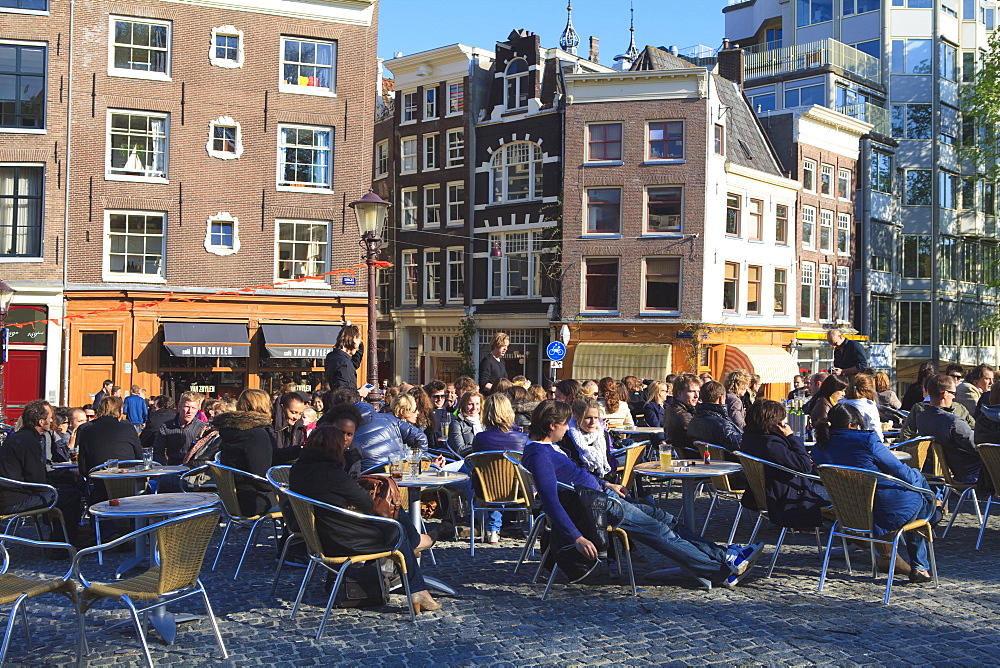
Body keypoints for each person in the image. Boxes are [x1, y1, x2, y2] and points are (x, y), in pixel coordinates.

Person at [522, 400, 764, 589]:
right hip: (597, 508)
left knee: (665, 520)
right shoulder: (540, 455)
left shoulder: (545, 448)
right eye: (565, 424)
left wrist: (606, 484)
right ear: (552, 425)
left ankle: (724, 556)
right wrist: (577, 538)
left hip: (602, 496)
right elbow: (550, 501)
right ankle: (719, 570)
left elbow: (574, 476)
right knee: (660, 533)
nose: (567, 428)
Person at [289, 419, 441, 613]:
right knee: (396, 528)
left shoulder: (298, 469)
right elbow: (366, 503)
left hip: (317, 536)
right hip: (340, 539)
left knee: (393, 523)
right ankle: (417, 579)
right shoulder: (332, 473)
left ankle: (416, 553)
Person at [812, 403, 936, 583]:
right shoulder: (867, 440)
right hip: (885, 508)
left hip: (848, 512)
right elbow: (898, 469)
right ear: (851, 425)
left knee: (919, 492)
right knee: (921, 493)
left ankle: (933, 505)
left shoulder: (819, 448)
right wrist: (918, 480)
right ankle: (920, 565)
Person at [0, 400, 81, 543]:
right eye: (50, 417)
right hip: (15, 500)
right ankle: (62, 545)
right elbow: (37, 480)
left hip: (9, 495)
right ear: (41, 421)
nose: (52, 420)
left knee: (65, 489)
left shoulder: (17, 437)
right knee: (71, 495)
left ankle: (56, 537)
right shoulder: (29, 442)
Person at [739, 400, 827, 529]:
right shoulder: (770, 444)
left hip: (769, 492)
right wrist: (791, 436)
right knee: (838, 493)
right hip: (790, 496)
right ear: (774, 423)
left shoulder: (749, 439)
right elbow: (805, 467)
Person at [469, 393, 529, 544]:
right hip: (518, 489)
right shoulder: (523, 438)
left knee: (491, 478)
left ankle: (492, 530)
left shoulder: (480, 438)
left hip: (487, 490)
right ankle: (529, 527)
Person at [915, 374, 985, 487]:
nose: (954, 397)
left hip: (952, 469)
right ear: (944, 394)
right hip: (970, 472)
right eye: (954, 393)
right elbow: (979, 448)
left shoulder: (921, 417)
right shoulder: (953, 422)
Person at [217, 389, 278, 517]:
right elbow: (260, 475)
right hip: (254, 500)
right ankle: (293, 536)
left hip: (232, 498)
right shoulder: (257, 434)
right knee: (296, 500)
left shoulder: (230, 431)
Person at [349, 397, 429, 473]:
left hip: (369, 475)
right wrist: (418, 464)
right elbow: (420, 437)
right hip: (395, 472)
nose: (417, 413)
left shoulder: (347, 426)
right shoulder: (389, 418)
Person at [75, 396, 142, 480]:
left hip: (99, 482)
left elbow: (83, 468)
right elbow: (139, 457)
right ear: (120, 411)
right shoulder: (128, 428)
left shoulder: (86, 430)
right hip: (128, 481)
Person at [559, 397, 616, 481]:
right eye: (588, 418)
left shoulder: (603, 435)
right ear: (576, 416)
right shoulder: (566, 437)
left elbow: (607, 465)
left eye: (596, 418)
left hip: (602, 482)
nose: (593, 422)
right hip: (576, 485)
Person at [153, 391, 208, 465]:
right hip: (172, 468)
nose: (190, 411)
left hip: (193, 469)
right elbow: (157, 451)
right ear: (179, 407)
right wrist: (163, 469)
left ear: (198, 409)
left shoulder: (202, 428)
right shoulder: (166, 427)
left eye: (193, 408)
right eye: (187, 407)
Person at [687, 381, 743, 451]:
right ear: (721, 399)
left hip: (707, 459)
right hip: (725, 460)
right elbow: (741, 446)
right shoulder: (721, 425)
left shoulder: (693, 420)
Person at [324, 324, 367, 394]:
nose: (358, 348)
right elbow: (343, 394)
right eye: (358, 341)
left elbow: (355, 363)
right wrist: (360, 392)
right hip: (346, 403)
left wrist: (358, 342)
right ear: (354, 339)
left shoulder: (332, 356)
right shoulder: (344, 363)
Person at [839, 374, 884, 440]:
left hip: (839, 441)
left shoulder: (840, 402)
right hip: (859, 443)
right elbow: (876, 432)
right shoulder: (868, 406)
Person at [664, 374, 701, 457]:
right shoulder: (682, 415)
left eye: (698, 391)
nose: (697, 396)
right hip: (696, 459)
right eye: (692, 391)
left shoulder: (671, 408)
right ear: (679, 393)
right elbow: (701, 438)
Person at [809, 375, 849, 445]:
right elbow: (824, 427)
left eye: (844, 391)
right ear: (832, 389)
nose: (843, 394)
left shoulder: (830, 402)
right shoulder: (823, 404)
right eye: (841, 390)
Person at [272, 392, 307, 464]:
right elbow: (272, 454)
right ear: (282, 408)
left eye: (300, 414)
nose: (296, 417)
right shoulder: (270, 427)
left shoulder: (299, 428)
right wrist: (295, 451)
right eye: (293, 412)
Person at [448, 391, 484, 457]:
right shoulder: (457, 423)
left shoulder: (485, 422)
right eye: (470, 404)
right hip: (466, 461)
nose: (474, 408)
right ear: (463, 405)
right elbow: (460, 450)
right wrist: (482, 447)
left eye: (477, 404)